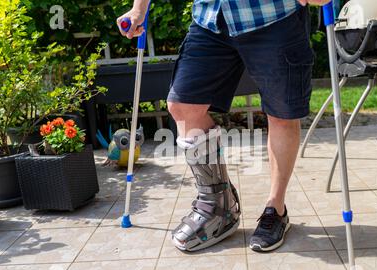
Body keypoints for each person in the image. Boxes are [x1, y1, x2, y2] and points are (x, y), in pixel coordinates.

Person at [118, 0, 331, 252]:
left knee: (282, 115)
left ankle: (276, 208)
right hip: (211, 17)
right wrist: (138, 9)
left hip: (273, 16)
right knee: (183, 106)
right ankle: (219, 207)